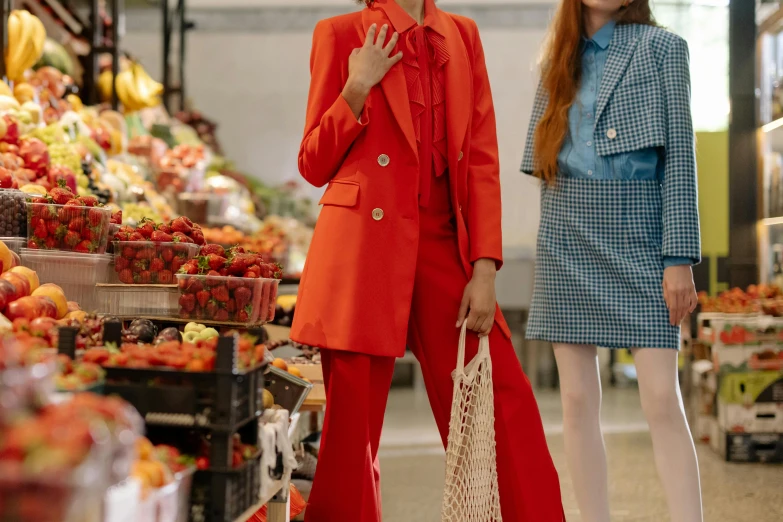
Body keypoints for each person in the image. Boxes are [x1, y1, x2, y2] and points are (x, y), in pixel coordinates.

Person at [292, 0, 564, 520]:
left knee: (502, 405)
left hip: (445, 248)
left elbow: (481, 157)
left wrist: (485, 267)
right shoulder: (341, 32)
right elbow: (313, 162)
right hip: (361, 255)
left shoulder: (460, 35)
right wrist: (357, 87)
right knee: (352, 440)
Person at [521, 1, 704, 521]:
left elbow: (681, 159)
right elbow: (546, 164)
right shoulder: (556, 57)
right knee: (576, 401)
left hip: (639, 233)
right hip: (565, 232)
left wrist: (679, 257)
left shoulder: (665, 48)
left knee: (660, 400)